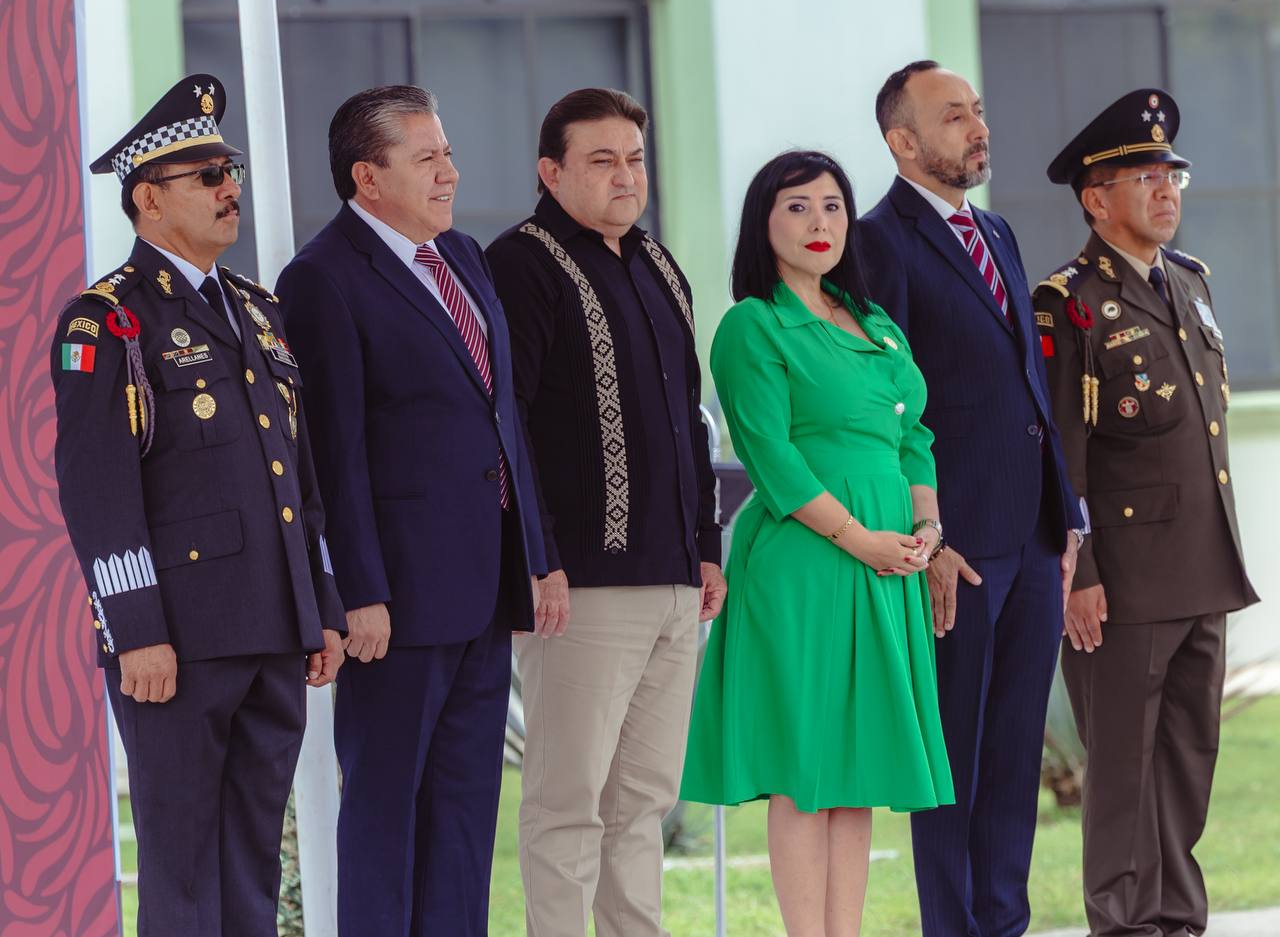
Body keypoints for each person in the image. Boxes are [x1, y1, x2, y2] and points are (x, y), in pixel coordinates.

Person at [50, 74, 345, 936]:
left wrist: (321, 604)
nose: (230, 190)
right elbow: (97, 491)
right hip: (176, 640)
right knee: (182, 869)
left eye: (231, 172)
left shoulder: (258, 310)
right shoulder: (107, 320)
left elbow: (299, 479)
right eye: (208, 175)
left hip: (272, 629)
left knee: (252, 861)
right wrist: (135, 628)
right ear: (148, 197)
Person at [275, 85, 546, 937]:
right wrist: (359, 589)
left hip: (483, 589)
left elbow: (501, 418)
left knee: (464, 819)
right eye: (426, 157)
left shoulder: (461, 255)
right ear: (368, 176)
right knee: (387, 816)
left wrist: (535, 556)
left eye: (448, 153)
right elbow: (334, 451)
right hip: (393, 603)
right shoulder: (321, 279)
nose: (449, 172)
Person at [681, 150, 954, 937]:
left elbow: (914, 437)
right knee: (806, 768)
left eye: (832, 205)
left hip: (886, 559)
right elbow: (771, 455)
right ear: (763, 223)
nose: (818, 223)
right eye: (797, 207)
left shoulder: (874, 323)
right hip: (808, 560)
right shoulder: (754, 325)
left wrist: (927, 528)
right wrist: (862, 538)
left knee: (854, 766)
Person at [485, 87, 725, 937]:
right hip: (579, 585)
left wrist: (706, 546)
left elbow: (689, 419)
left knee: (643, 803)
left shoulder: (659, 265)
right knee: (567, 803)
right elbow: (507, 425)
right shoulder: (520, 264)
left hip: (674, 581)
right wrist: (538, 557)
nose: (625, 176)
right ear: (550, 172)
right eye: (601, 160)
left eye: (634, 159)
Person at [857, 60, 1087, 937]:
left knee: (1014, 759)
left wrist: (1065, 515)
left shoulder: (996, 231)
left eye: (977, 111)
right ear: (903, 141)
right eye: (954, 116)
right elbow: (886, 406)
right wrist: (928, 533)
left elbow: (1028, 385)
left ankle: (1005, 924)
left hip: (1032, 537)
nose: (978, 128)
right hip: (955, 547)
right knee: (953, 763)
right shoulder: (878, 242)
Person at [1034, 88, 1257, 937]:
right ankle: (1126, 926)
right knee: (1124, 776)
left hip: (1202, 565)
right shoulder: (1068, 302)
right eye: (1145, 177)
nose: (1166, 191)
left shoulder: (1189, 282)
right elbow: (1061, 453)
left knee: (1187, 764)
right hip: (1120, 584)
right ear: (1096, 200)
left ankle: (1177, 920)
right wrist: (1080, 572)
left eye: (1173, 176)